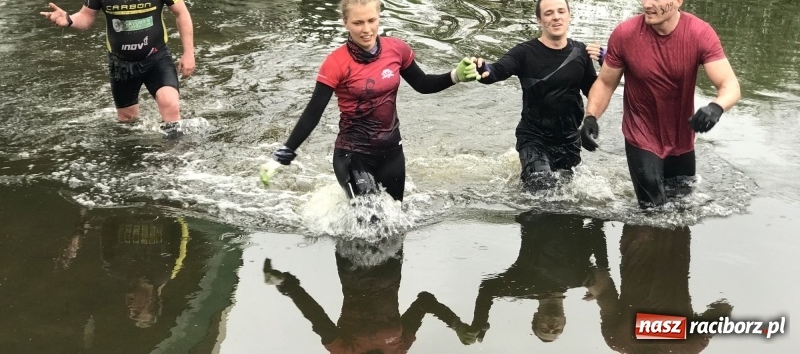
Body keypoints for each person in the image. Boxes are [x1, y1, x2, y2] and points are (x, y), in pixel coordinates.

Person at [270, 0, 478, 202]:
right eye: (357, 23)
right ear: (345, 22)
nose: (366, 29)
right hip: (353, 155)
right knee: (372, 219)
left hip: (392, 153)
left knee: (395, 223)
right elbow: (313, 113)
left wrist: (455, 76)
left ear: (379, 17)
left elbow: (422, 84)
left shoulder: (396, 49)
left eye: (371, 20)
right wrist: (285, 153)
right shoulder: (336, 63)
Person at [579, 0, 740, 207]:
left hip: (682, 137)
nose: (646, 4)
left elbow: (730, 85)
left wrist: (716, 107)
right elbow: (605, 82)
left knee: (682, 208)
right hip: (640, 134)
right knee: (653, 209)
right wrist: (591, 117)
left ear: (677, 1)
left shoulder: (699, 33)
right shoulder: (625, 34)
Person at [40, 0, 195, 136]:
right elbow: (86, 17)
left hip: (156, 58)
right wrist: (68, 20)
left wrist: (189, 53)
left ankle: (176, 161)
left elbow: (182, 13)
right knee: (127, 120)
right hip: (121, 64)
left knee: (170, 105)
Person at [473, 0, 601, 189]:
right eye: (549, 13)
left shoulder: (581, 52)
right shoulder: (524, 52)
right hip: (534, 136)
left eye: (561, 11)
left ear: (569, 15)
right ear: (539, 21)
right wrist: (483, 69)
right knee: (541, 187)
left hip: (569, 139)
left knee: (566, 195)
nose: (556, 17)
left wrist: (608, 66)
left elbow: (595, 90)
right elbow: (495, 72)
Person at [263, 236, 466, 353]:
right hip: (391, 265)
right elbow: (425, 302)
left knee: (355, 208)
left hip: (354, 271)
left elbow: (316, 317)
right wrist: (455, 323)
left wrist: (285, 284)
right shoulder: (399, 350)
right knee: (387, 204)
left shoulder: (343, 351)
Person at [456, 211, 609, 345]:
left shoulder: (523, 286)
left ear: (536, 316)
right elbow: (595, 232)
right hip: (572, 209)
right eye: (557, 330)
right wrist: (602, 268)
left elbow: (487, 289)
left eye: (545, 329)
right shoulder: (582, 279)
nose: (552, 327)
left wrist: (480, 320)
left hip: (538, 209)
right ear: (564, 321)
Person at [586, 223, 732, 353]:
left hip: (673, 234)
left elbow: (723, 308)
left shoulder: (689, 345)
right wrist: (585, 281)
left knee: (672, 200)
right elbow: (604, 291)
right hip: (639, 235)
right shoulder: (618, 340)